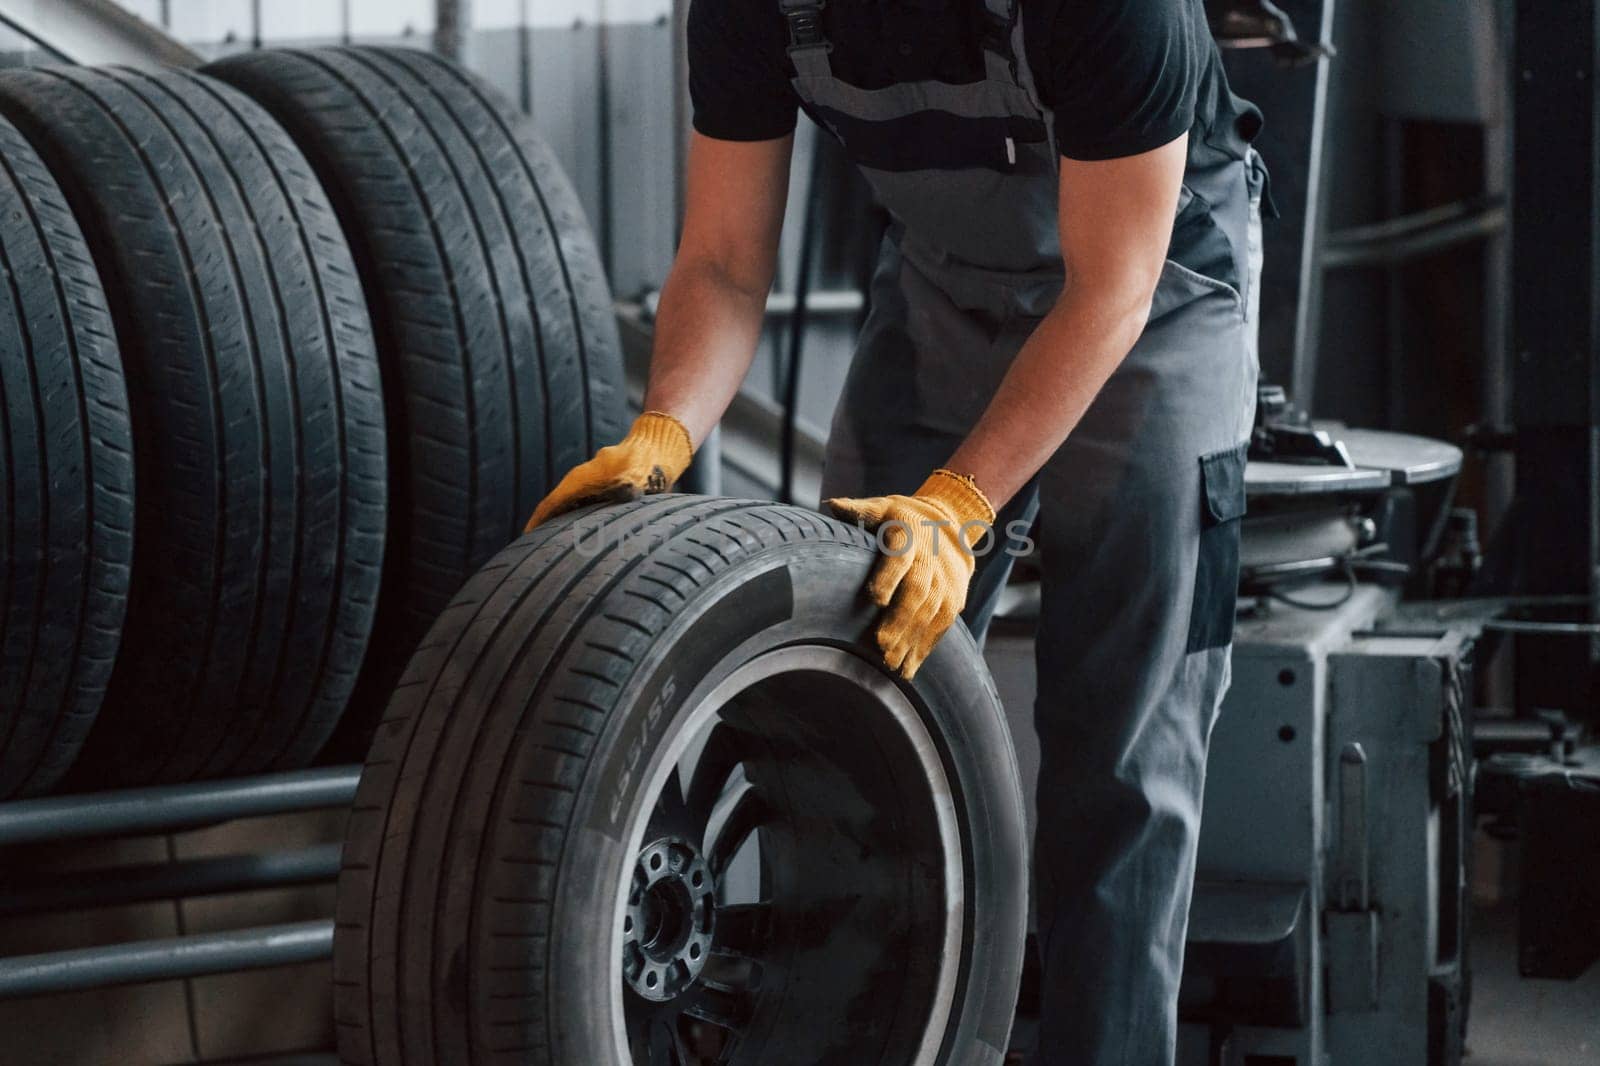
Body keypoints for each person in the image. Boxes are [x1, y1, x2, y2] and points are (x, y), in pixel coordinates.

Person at [526, 0, 1267, 1061]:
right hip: (941, 287)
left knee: (1121, 749)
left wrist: (961, 502)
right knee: (847, 690)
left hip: (1154, 297)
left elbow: (1113, 289)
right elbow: (727, 260)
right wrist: (664, 430)